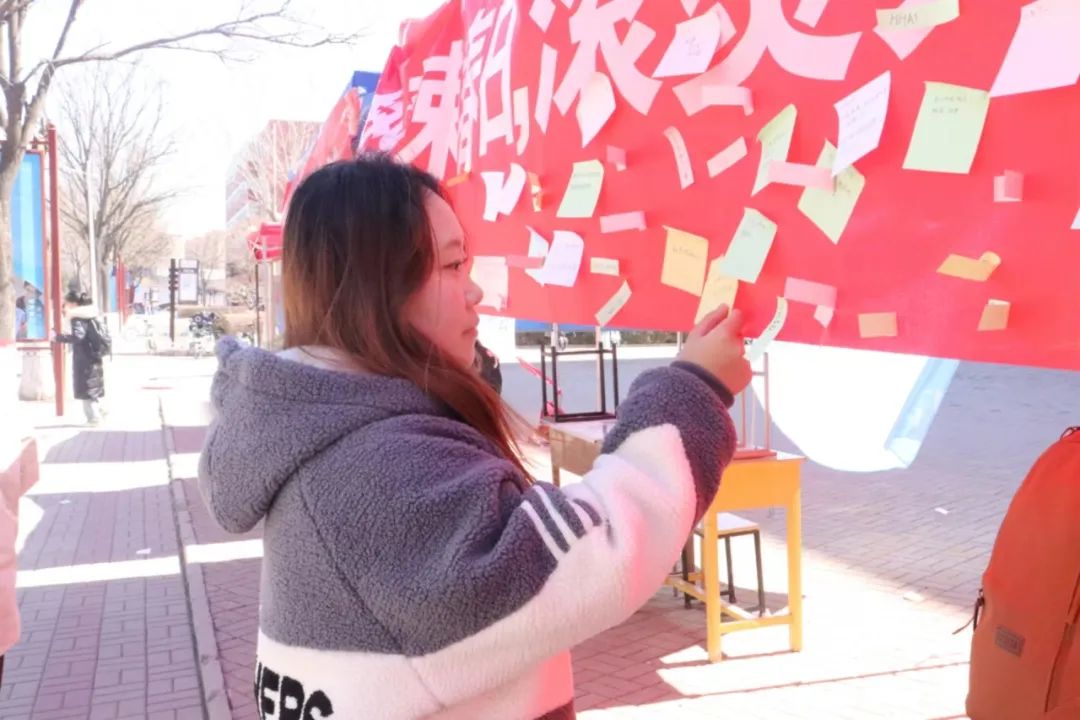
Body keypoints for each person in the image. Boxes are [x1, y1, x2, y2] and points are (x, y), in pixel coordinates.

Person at [198, 154, 752, 720]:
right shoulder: (378, 468)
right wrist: (696, 385)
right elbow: (600, 552)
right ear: (372, 284)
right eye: (453, 265)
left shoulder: (326, 432)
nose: (475, 291)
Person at [54, 291, 110, 425]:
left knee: (86, 388)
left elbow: (78, 337)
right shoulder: (91, 314)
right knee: (92, 385)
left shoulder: (77, 317)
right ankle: (101, 410)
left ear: (73, 304)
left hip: (84, 357)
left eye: (66, 303)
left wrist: (59, 338)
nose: (65, 306)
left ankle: (93, 418)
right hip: (94, 355)